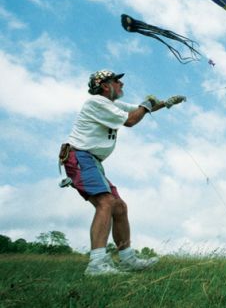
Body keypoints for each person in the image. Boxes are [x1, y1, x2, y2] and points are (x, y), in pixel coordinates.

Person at [62, 70, 186, 276]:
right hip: (79, 156)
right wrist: (147, 104)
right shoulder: (96, 103)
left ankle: (127, 259)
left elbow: (141, 109)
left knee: (119, 207)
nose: (121, 84)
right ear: (104, 85)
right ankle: (96, 264)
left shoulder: (112, 105)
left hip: (92, 161)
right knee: (106, 203)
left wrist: (166, 103)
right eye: (117, 81)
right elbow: (131, 120)